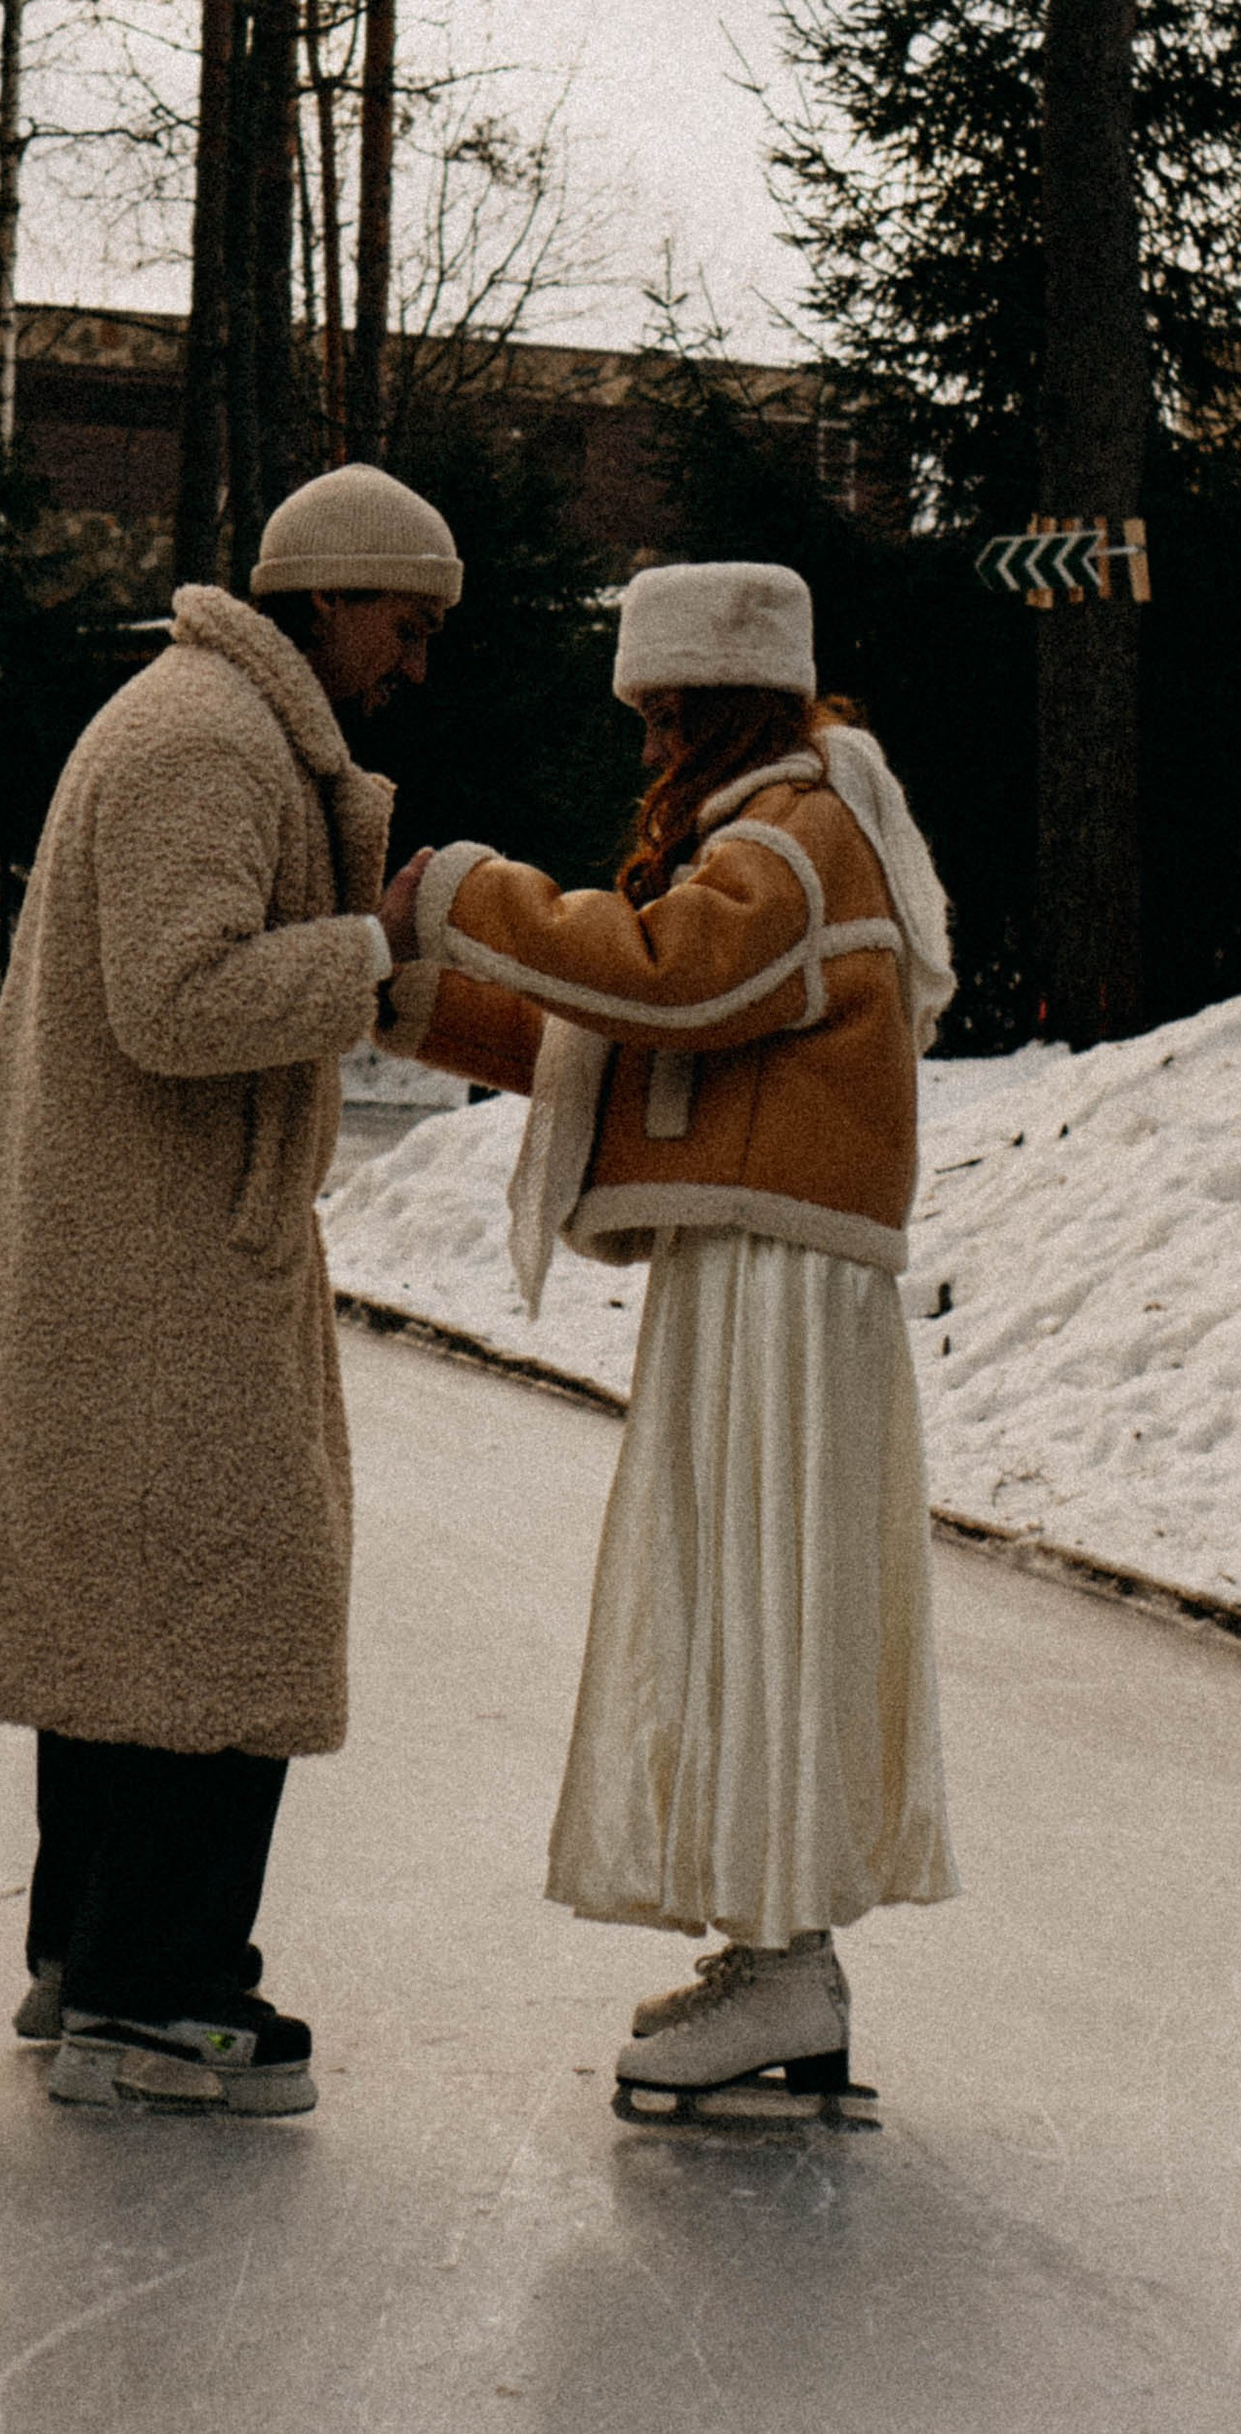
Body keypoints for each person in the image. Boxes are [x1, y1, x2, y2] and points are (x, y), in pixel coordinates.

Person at [0, 463, 461, 2117]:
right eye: (406, 627)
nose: (415, 663)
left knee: (131, 1620)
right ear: (330, 598)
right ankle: (162, 1987)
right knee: (221, 1605)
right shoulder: (207, 739)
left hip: (153, 1246)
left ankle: (94, 1961)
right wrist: (380, 945)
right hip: (162, 1259)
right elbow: (180, 1000)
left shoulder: (206, 720)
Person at [375, 558, 957, 2117]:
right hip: (759, 1269)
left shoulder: (798, 834)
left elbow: (676, 981)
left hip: (782, 1277)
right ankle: (778, 1952)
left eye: (658, 715)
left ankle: (789, 1963)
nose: (642, 750)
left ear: (714, 701)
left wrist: (454, 891)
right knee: (740, 1599)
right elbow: (612, 1035)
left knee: (761, 1603)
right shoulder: (781, 829)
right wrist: (408, 995)